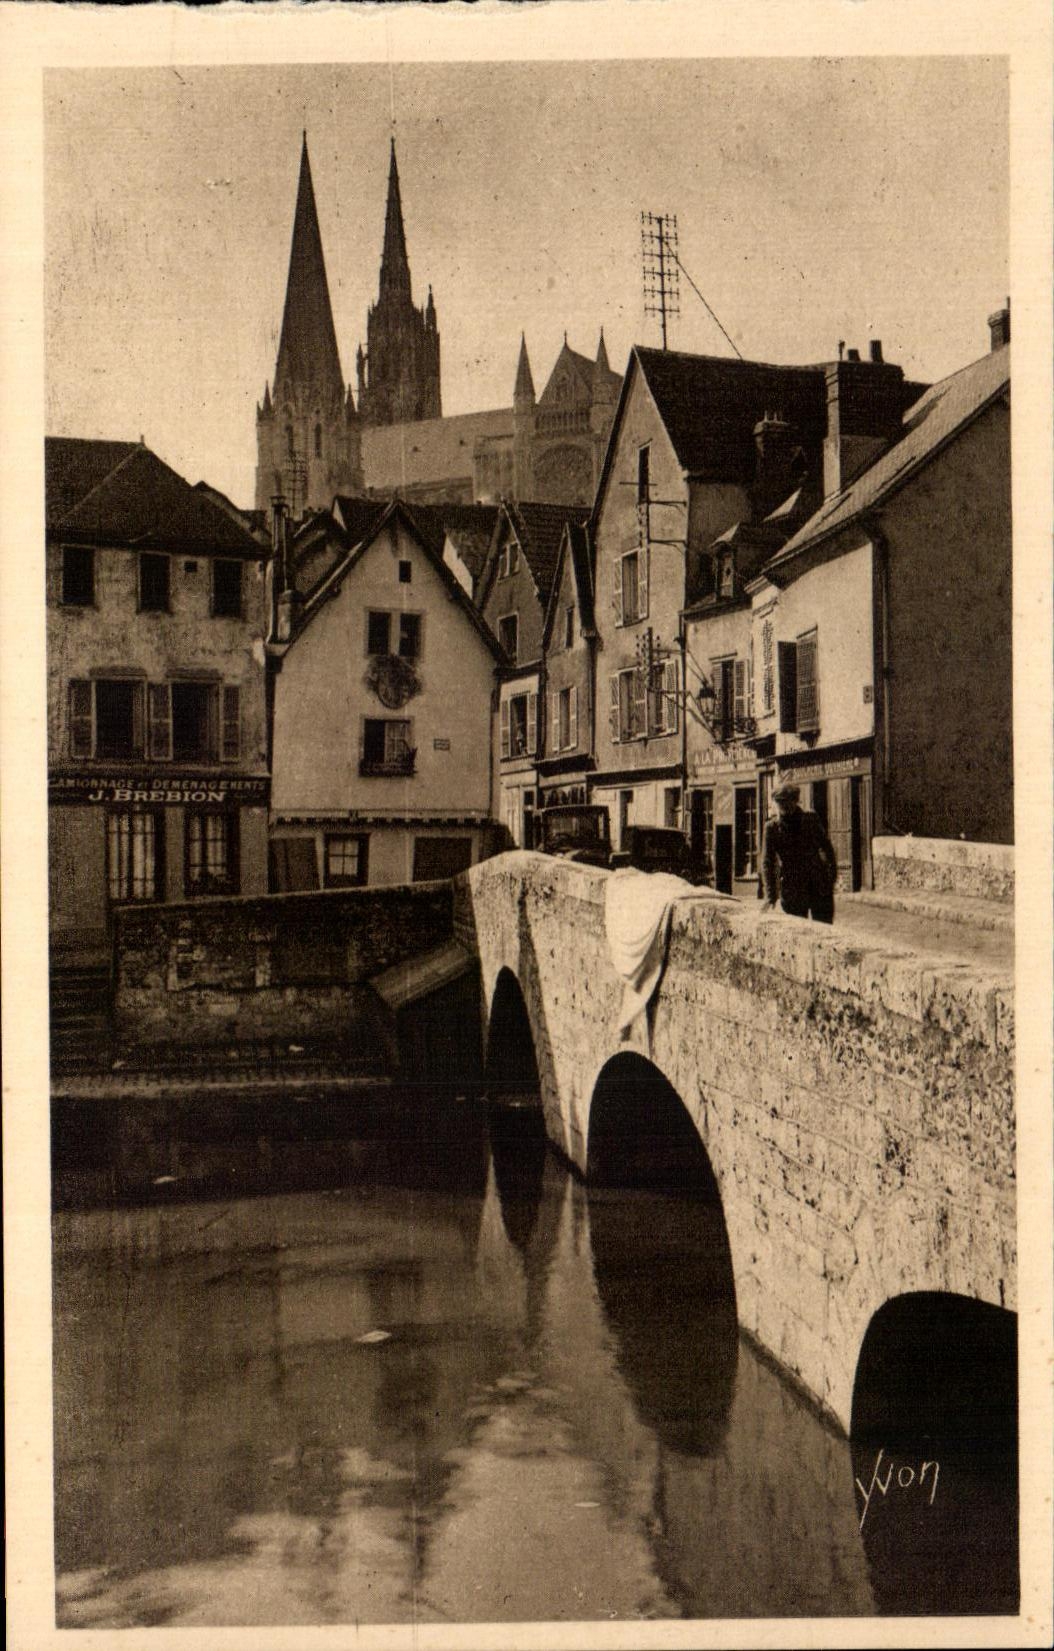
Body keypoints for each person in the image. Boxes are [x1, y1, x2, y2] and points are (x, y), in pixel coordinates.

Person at [761, 780, 838, 923]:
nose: (782, 807)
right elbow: (767, 862)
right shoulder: (771, 828)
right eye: (779, 803)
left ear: (795, 801)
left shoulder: (810, 819)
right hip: (792, 889)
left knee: (824, 931)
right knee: (798, 933)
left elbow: (827, 848)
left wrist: (831, 877)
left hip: (819, 885)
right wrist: (771, 895)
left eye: (786, 803)